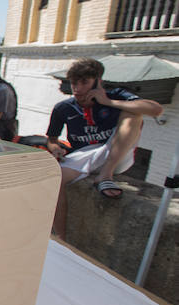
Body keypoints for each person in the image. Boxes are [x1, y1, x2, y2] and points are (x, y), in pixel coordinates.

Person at [45, 58, 162, 237]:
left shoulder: (116, 96)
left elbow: (155, 109)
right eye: (75, 83)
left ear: (98, 82)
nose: (77, 89)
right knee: (54, 178)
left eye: (84, 82)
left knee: (133, 115)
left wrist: (108, 102)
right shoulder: (63, 108)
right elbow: (52, 139)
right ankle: (61, 238)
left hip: (115, 152)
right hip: (84, 156)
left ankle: (105, 175)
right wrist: (55, 148)